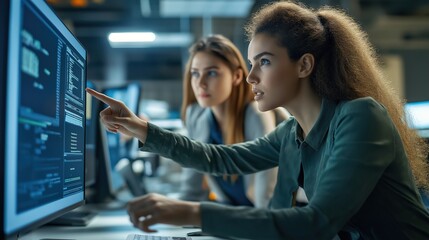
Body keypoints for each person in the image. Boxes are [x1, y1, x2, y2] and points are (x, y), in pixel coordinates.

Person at [86, 1, 429, 239]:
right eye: (252, 64)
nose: (251, 77)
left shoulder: (360, 117)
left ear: (304, 65)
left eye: (263, 62)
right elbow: (221, 158)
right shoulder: (291, 133)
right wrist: (141, 128)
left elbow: (316, 223)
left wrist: (193, 213)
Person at [178, 34, 281, 208]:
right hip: (233, 216)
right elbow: (190, 191)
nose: (200, 83)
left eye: (211, 73)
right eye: (195, 74)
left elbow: (267, 201)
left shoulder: (257, 115)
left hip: (266, 220)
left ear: (237, 76)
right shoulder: (195, 116)